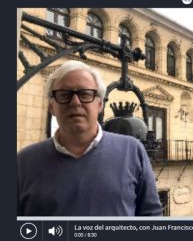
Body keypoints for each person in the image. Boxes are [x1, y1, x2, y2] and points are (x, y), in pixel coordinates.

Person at [17, 60, 162, 216]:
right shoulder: (24, 162)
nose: (75, 102)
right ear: (52, 106)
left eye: (85, 94)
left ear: (99, 104)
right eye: (64, 95)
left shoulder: (133, 151)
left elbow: (151, 216)